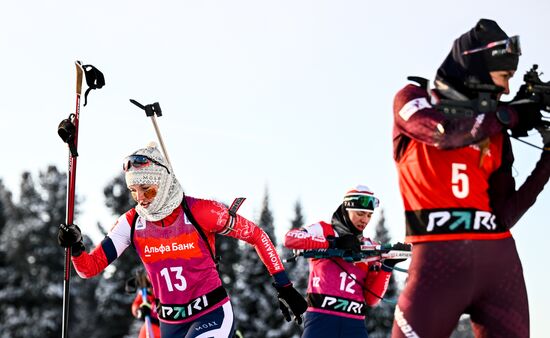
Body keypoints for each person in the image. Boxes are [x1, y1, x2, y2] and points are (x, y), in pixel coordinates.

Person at [391, 18, 550, 338]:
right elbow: (442, 133)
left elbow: (503, 216)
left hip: (499, 262)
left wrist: (547, 161)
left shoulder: (495, 133)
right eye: (504, 76)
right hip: (437, 261)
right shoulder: (412, 97)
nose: (507, 89)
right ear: (478, 66)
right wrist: (510, 113)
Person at [58, 142, 307, 338]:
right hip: (170, 323)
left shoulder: (200, 212)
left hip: (211, 312)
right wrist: (77, 246)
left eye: (149, 190)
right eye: (134, 191)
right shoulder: (132, 222)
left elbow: (257, 235)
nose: (141, 198)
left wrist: (284, 286)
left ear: (164, 183)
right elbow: (89, 268)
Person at [284, 185, 403, 338]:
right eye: (360, 213)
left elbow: (372, 299)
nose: (365, 220)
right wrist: (333, 243)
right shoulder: (323, 230)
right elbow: (290, 238)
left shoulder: (368, 245)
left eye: (369, 215)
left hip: (354, 324)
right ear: (347, 209)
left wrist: (388, 266)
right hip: (321, 320)